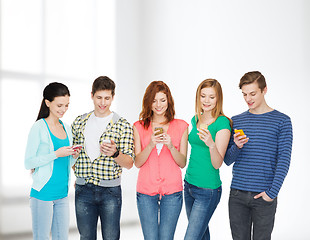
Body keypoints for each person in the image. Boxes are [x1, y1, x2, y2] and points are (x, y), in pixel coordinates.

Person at [224, 71, 293, 240]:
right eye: (244, 94)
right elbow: (227, 160)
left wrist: (271, 193)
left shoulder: (282, 121)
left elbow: (283, 160)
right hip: (237, 195)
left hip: (264, 195)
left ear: (264, 90)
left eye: (253, 93)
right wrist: (237, 147)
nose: (248, 99)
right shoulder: (236, 120)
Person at [72, 76, 134, 240]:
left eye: (107, 98)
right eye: (99, 97)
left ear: (113, 97)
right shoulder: (79, 122)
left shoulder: (122, 125)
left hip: (110, 192)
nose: (103, 102)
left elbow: (129, 163)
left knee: (111, 237)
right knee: (85, 237)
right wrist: (78, 174)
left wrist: (115, 153)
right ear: (91, 95)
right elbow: (72, 155)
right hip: (83, 190)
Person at [133, 81, 188, 240]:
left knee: (166, 238)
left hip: (172, 192)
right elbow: (138, 162)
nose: (158, 105)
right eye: (154, 100)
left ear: (168, 101)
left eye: (162, 100)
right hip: (145, 192)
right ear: (148, 102)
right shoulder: (138, 126)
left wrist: (170, 146)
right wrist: (150, 144)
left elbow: (182, 162)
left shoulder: (182, 126)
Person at [24, 82, 80, 240]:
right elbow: (29, 162)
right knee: (41, 237)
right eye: (60, 105)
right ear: (48, 103)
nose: (63, 110)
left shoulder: (67, 127)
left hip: (62, 193)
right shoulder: (39, 127)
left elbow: (64, 162)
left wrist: (73, 155)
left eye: (67, 105)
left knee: (62, 237)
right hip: (43, 194)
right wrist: (56, 154)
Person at [184, 79, 231, 240]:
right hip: (189, 184)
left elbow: (217, 163)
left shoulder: (222, 123)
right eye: (203, 96)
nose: (206, 101)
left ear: (218, 98)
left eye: (211, 97)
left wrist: (211, 144)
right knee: (201, 235)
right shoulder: (196, 118)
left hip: (208, 190)